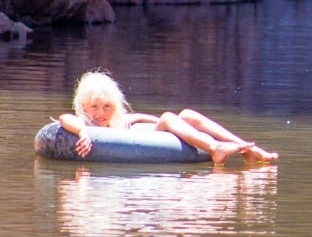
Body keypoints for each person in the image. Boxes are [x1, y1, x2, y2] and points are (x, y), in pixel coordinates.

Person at [58, 69, 279, 165]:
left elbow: (139, 118)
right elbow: (64, 118)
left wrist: (172, 123)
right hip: (129, 149)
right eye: (94, 107)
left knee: (186, 115)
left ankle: (249, 149)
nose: (101, 112)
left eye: (107, 106)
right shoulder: (86, 123)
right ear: (85, 106)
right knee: (168, 117)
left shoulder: (118, 120)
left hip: (148, 138)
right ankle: (215, 148)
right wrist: (82, 132)